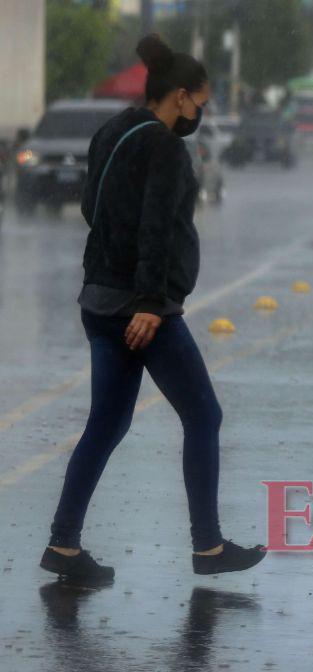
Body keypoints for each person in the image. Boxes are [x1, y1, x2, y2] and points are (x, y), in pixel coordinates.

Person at [40, 34, 265, 586]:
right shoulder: (165, 146)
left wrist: (119, 282)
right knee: (204, 415)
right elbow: (156, 229)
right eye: (201, 101)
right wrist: (149, 302)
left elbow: (93, 207)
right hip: (141, 311)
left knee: (106, 424)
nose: (201, 112)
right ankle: (208, 546)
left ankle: (63, 548)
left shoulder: (113, 130)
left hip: (99, 299)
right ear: (181, 97)